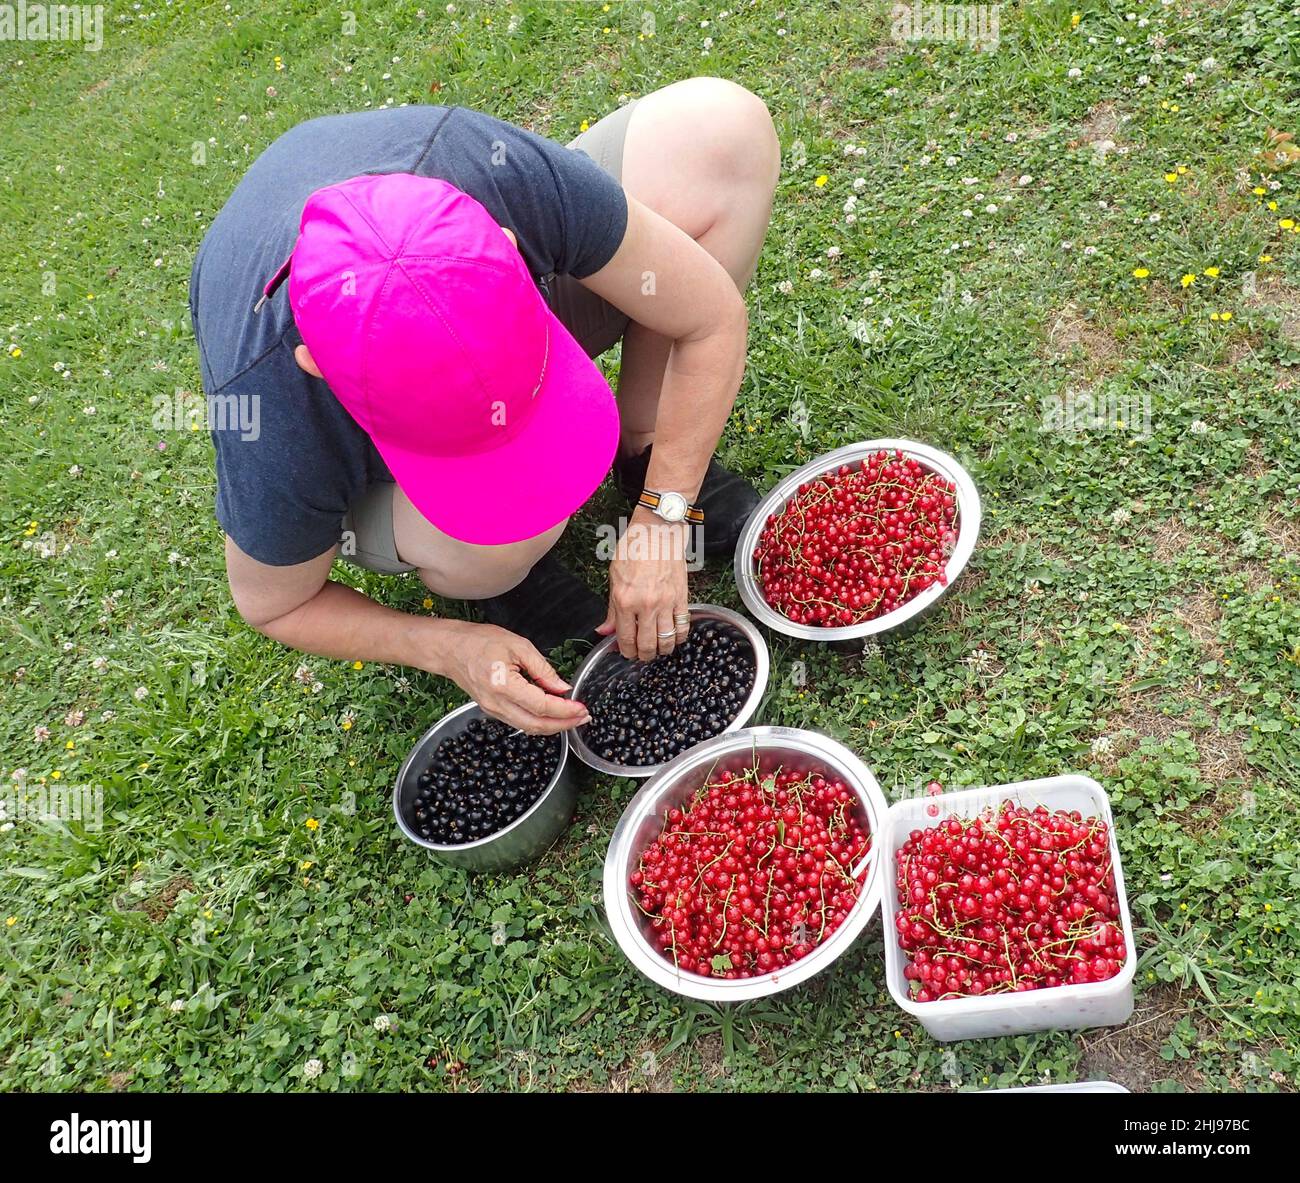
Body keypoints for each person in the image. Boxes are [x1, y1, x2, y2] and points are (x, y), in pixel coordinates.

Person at [189, 77, 780, 735]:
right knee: (511, 533)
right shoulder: (272, 397)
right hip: (357, 454)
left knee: (727, 132)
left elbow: (709, 317)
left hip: (473, 235)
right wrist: (449, 647)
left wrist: (664, 514)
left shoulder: (496, 173)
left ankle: (642, 447)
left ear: (503, 242)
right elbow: (272, 604)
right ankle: (500, 573)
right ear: (318, 369)